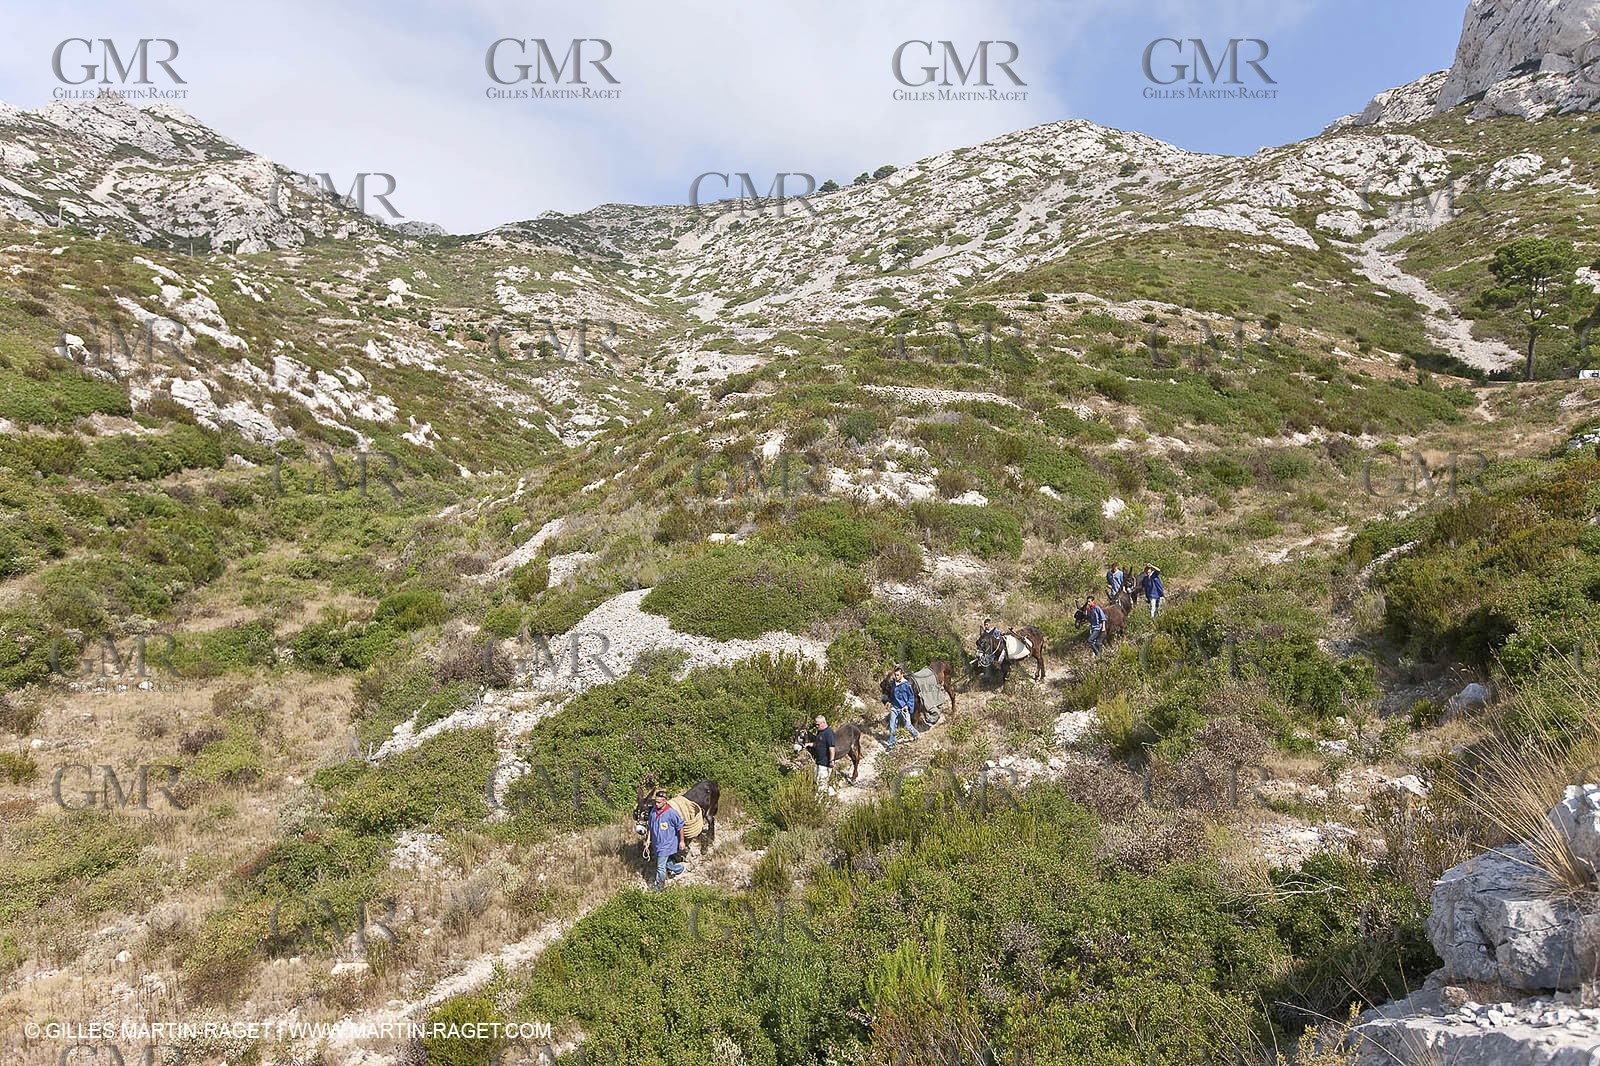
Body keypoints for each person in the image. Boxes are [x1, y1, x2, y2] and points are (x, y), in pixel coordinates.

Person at [645, 789, 686, 891]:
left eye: (659, 802)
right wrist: (648, 841)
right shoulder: (653, 811)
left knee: (660, 867)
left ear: (665, 801)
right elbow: (650, 826)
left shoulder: (671, 813)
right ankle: (679, 869)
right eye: (656, 802)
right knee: (665, 863)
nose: (657, 804)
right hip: (657, 844)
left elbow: (680, 827)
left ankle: (659, 888)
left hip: (667, 844)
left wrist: (682, 841)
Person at [887, 666, 920, 748]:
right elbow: (893, 694)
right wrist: (890, 702)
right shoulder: (894, 683)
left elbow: (911, 697)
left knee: (907, 725)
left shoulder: (906, 685)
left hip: (903, 708)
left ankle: (916, 734)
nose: (896, 677)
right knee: (892, 726)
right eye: (895, 675)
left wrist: (907, 706)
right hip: (895, 707)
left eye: (898, 675)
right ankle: (892, 744)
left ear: (902, 675)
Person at [811, 714, 837, 793]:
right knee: (816, 781)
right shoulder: (820, 732)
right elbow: (817, 743)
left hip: (825, 763)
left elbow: (832, 748)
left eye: (818, 724)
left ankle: (820, 803)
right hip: (818, 761)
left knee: (821, 784)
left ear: (823, 722)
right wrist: (808, 744)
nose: (816, 726)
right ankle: (832, 795)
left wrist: (831, 760)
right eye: (816, 724)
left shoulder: (829, 733)